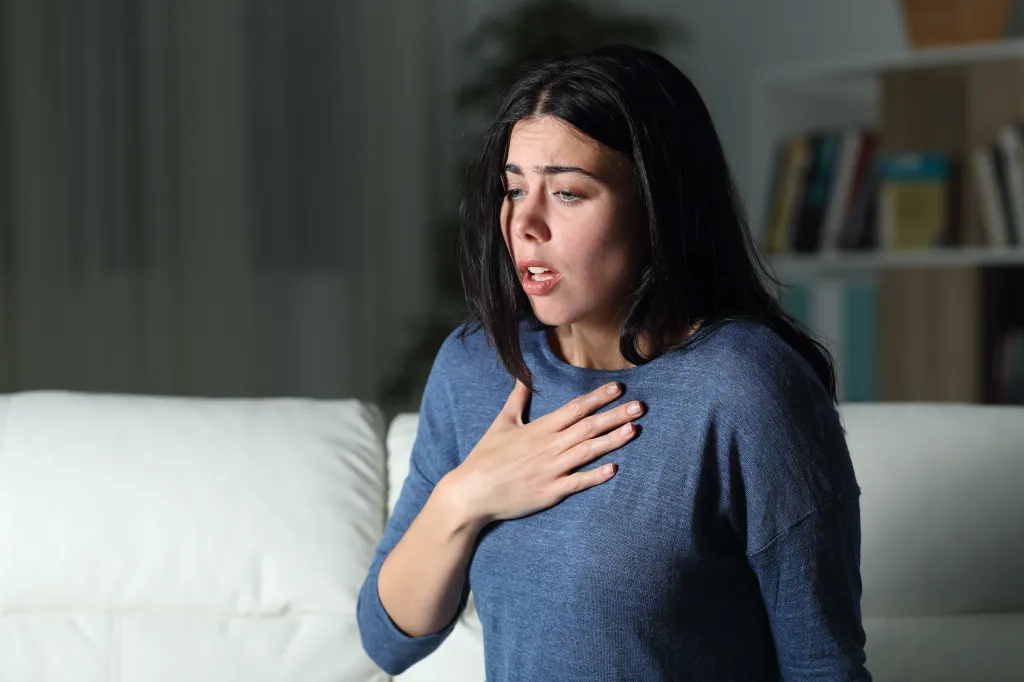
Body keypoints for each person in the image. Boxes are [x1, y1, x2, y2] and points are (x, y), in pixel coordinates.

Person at [357, 45, 871, 681]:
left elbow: (824, 669)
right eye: (514, 188)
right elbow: (387, 640)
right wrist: (468, 495)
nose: (525, 224)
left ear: (657, 205)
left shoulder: (747, 388)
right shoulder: (476, 366)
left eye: (569, 193)